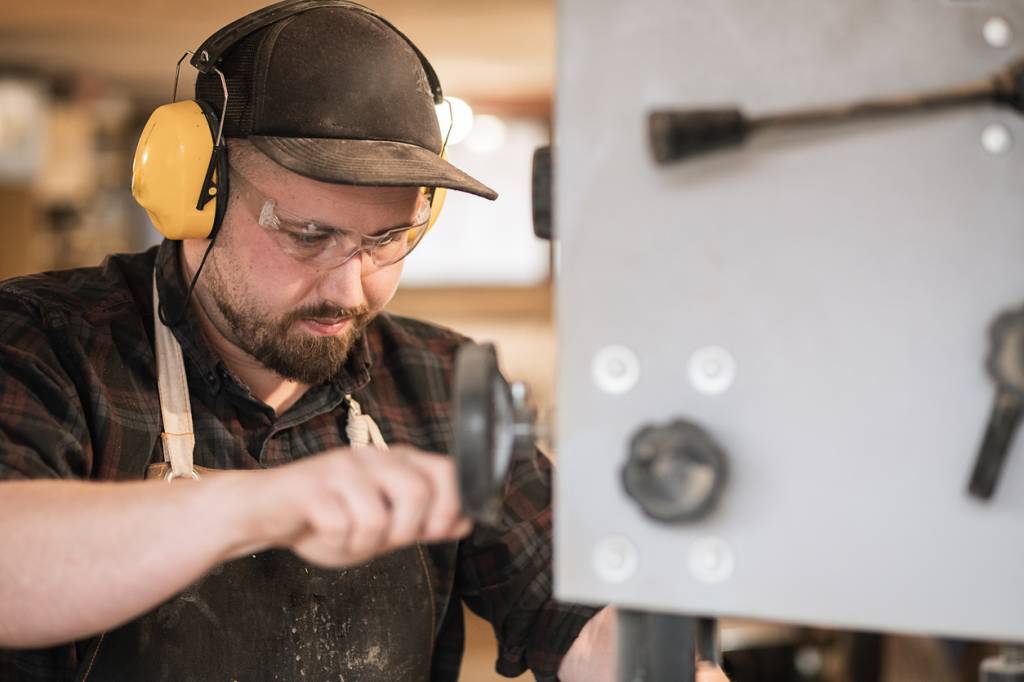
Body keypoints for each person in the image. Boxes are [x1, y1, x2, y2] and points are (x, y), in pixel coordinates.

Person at [0, 2, 728, 680]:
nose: (351, 292)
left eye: (387, 240)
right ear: (199, 191)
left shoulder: (438, 382)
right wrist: (260, 507)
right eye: (309, 236)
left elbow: (583, 618)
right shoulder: (46, 346)